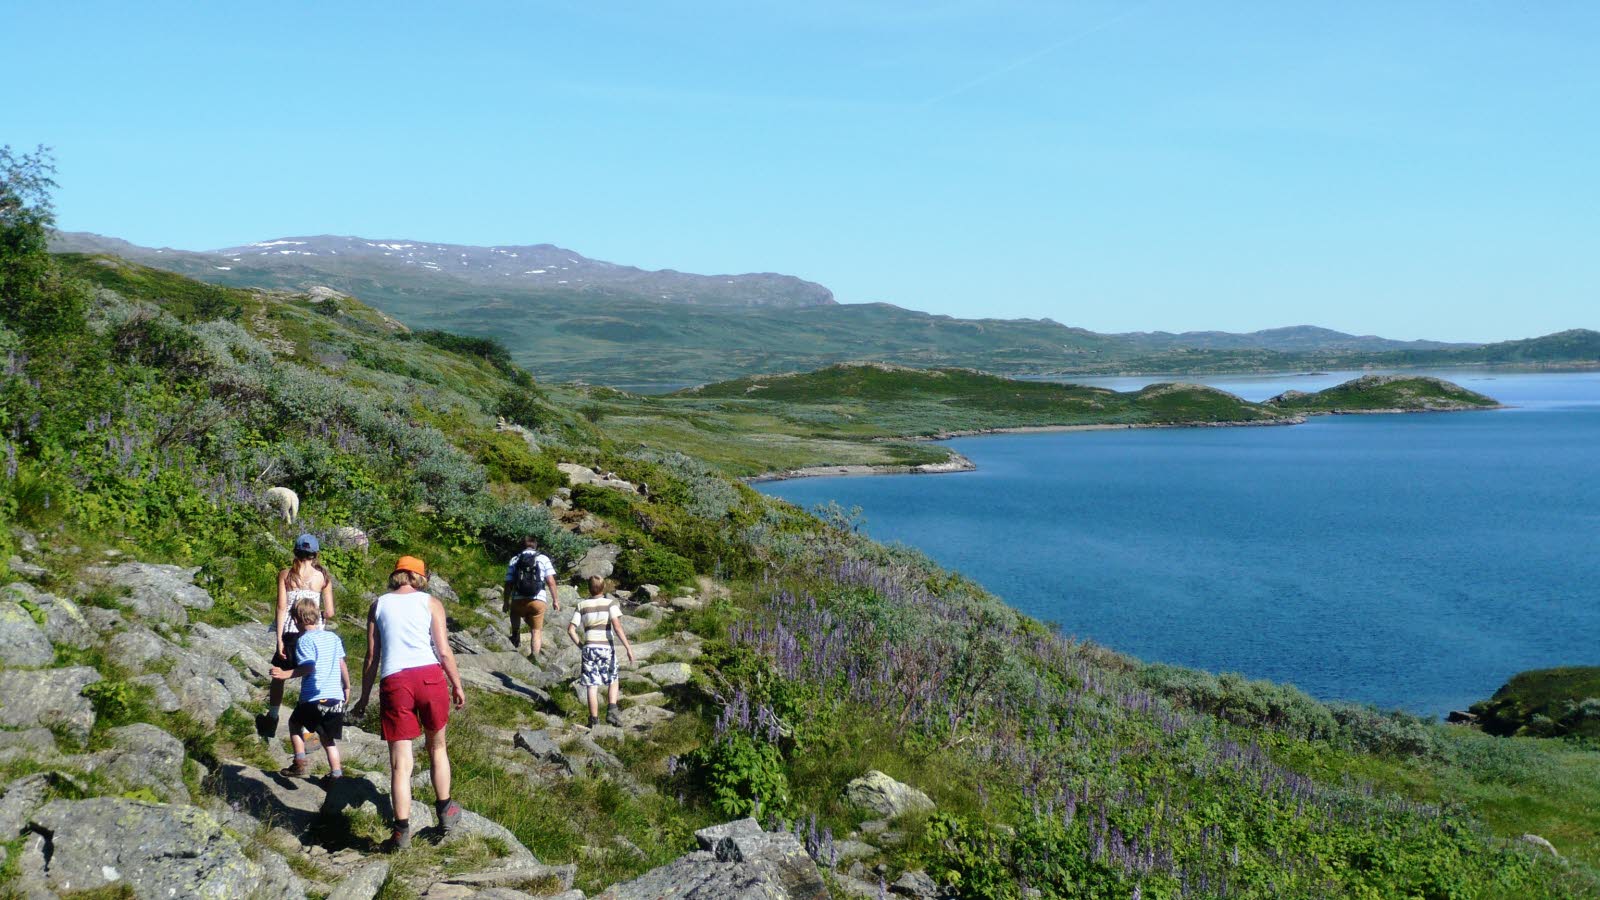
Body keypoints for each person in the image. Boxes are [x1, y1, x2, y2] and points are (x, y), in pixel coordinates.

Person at [350, 556, 468, 851]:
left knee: (400, 764)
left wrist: (364, 697)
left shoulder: (378, 605)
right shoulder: (431, 603)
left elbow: (371, 657)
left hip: (395, 680)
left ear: (396, 576)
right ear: (419, 577)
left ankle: (401, 833)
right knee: (437, 747)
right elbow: (443, 650)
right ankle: (445, 810)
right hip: (429, 677)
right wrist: (457, 684)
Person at [262, 534, 336, 738]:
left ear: (295, 552)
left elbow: (281, 607)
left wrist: (278, 639)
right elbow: (330, 612)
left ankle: (273, 716)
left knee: (279, 675)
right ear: (316, 554)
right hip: (314, 632)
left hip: (290, 630)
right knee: (310, 675)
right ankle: (307, 728)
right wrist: (318, 614)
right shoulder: (323, 577)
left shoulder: (286, 574)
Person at [269, 595, 348, 782]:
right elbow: (341, 663)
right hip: (335, 698)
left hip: (314, 697)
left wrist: (285, 674)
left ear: (296, 620)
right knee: (328, 738)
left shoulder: (303, 640)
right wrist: (347, 686)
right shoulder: (333, 637)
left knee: (294, 724)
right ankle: (336, 775)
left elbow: (308, 667)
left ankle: (299, 762)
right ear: (317, 617)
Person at [566, 575, 634, 728]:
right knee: (613, 679)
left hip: (589, 648)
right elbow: (617, 627)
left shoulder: (581, 605)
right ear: (603, 588)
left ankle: (594, 721)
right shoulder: (610, 604)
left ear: (589, 588)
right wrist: (628, 647)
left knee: (592, 685)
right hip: (606, 648)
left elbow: (571, 630)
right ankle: (611, 710)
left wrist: (581, 646)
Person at [503, 536, 560, 655]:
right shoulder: (543, 558)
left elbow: (508, 583)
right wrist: (555, 600)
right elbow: (550, 581)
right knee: (536, 631)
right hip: (537, 600)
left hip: (518, 599)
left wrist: (506, 602)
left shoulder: (515, 559)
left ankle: (515, 632)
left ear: (522, 546)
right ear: (535, 545)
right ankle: (534, 658)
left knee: (514, 612)